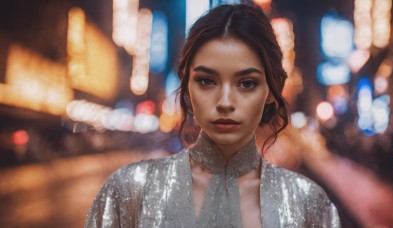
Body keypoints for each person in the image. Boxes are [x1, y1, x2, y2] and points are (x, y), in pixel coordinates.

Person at [85, 3, 341, 227]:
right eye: (207, 81)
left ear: (271, 91)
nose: (225, 102)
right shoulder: (128, 192)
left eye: (247, 83)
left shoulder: (309, 204)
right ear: (187, 88)